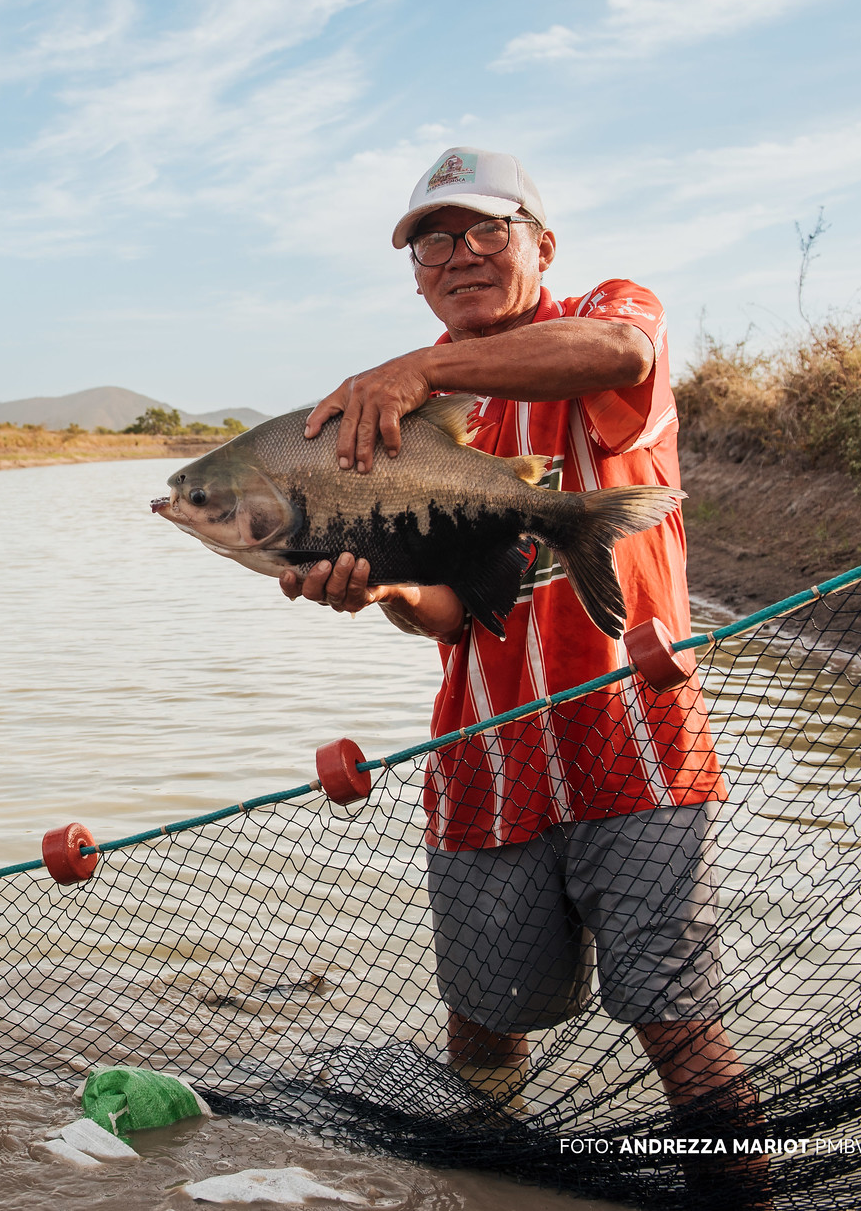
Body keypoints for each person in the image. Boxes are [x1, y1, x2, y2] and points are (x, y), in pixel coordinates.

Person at [282, 148, 767, 1203]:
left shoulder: (605, 307)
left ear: (539, 244)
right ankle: (495, 1182)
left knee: (675, 1022)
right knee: (480, 1018)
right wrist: (378, 593)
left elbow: (615, 353)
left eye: (482, 230)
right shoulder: (417, 427)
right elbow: (457, 612)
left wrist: (420, 369)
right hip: (481, 764)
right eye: (429, 240)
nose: (456, 256)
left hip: (629, 742)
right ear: (413, 274)